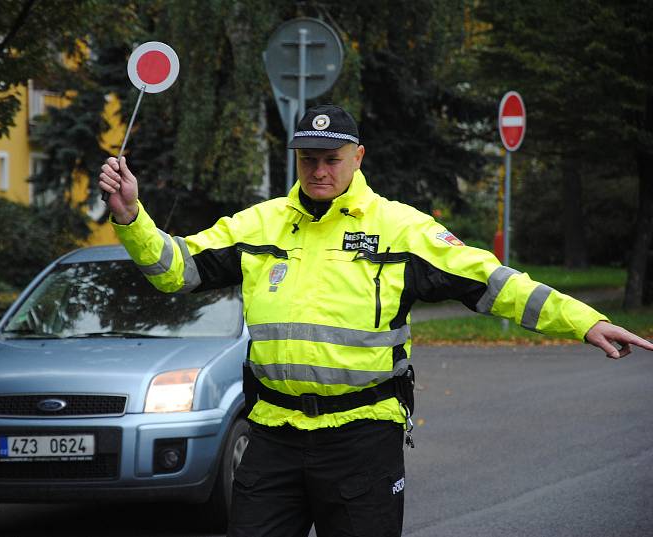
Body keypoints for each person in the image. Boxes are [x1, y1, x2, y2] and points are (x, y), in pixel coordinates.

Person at [98, 104, 653, 537]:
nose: (318, 169)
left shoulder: (401, 229)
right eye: (308, 158)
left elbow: (493, 284)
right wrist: (130, 216)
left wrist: (583, 321)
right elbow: (176, 271)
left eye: (331, 158)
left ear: (357, 157)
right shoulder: (259, 225)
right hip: (272, 437)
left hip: (362, 439)